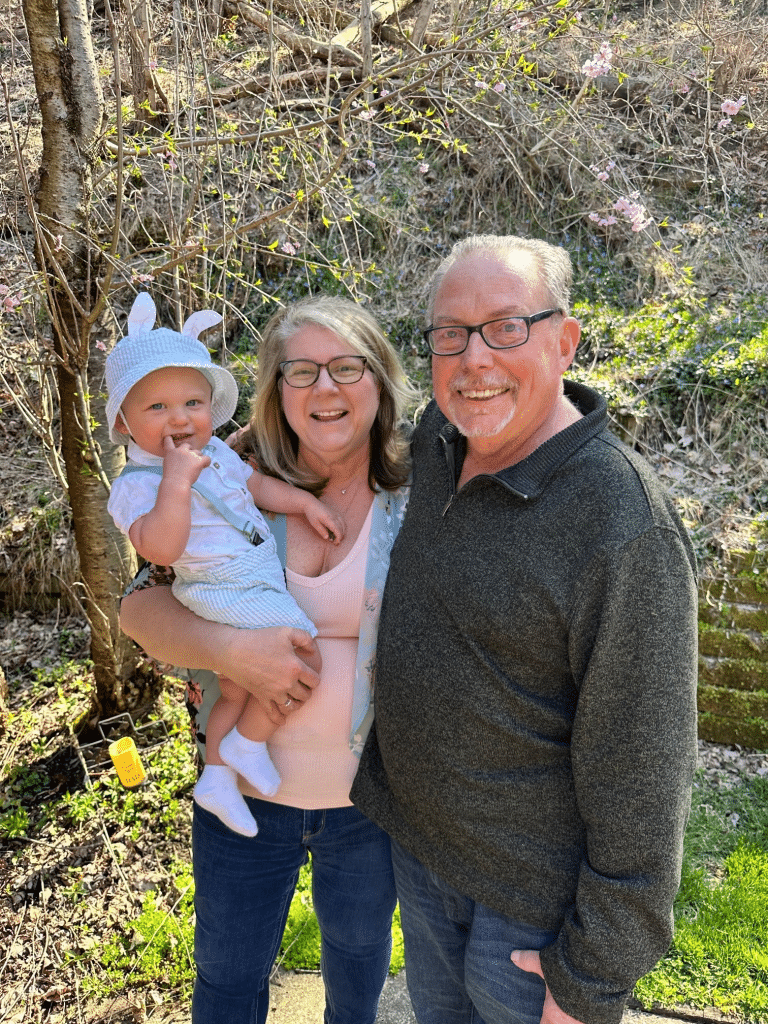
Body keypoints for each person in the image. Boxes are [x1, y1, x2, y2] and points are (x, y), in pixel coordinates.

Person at [350, 234, 699, 1024]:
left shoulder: (621, 524)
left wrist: (590, 980)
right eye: (451, 334)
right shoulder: (440, 439)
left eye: (506, 327)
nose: (474, 359)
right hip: (424, 857)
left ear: (564, 340)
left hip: (532, 916)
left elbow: (645, 771)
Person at [119, 294, 416, 1024]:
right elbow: (138, 610)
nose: (325, 387)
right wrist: (232, 650)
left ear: (379, 379)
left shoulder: (420, 487)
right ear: (275, 390)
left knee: (358, 974)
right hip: (244, 797)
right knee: (228, 983)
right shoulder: (220, 468)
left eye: (347, 367)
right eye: (301, 370)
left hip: (370, 802)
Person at [106, 293, 347, 838]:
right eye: (156, 408)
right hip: (220, 586)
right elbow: (160, 552)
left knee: (236, 691)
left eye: (192, 403)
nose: (179, 418)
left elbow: (254, 486)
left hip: (249, 575)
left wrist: (304, 504)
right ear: (123, 420)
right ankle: (247, 744)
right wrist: (175, 483)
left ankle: (218, 775)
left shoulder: (216, 453)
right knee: (301, 647)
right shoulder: (139, 485)